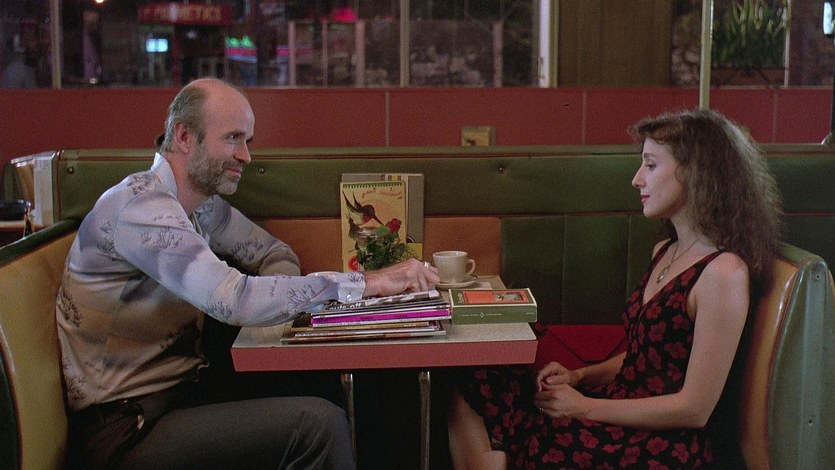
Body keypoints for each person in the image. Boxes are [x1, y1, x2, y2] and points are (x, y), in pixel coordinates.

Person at [57, 77, 440, 469]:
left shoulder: (199, 206)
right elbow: (233, 299)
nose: (246, 156)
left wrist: (278, 309)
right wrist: (365, 282)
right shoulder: (141, 208)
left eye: (247, 141)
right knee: (318, 428)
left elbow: (274, 253)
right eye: (232, 138)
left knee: (336, 386)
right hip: (126, 429)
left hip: (183, 394)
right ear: (185, 136)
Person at [447, 109, 782, 469]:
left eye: (650, 165)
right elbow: (643, 357)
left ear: (695, 173)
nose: (637, 180)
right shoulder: (665, 250)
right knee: (479, 379)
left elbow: (694, 409)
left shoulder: (724, 272)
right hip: (619, 407)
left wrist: (584, 406)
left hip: (662, 443)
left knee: (524, 427)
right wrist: (579, 375)